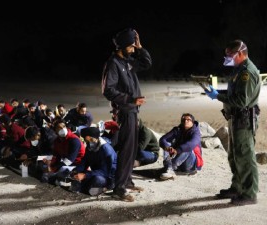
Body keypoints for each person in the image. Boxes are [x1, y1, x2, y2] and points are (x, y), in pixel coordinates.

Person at [205, 40, 260, 205]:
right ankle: (237, 187)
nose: (227, 58)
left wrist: (218, 97)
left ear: (241, 53)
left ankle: (249, 193)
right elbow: (234, 92)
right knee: (234, 155)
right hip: (235, 118)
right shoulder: (238, 70)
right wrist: (218, 92)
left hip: (244, 120)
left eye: (230, 55)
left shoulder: (247, 73)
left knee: (245, 156)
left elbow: (242, 100)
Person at [101, 27, 152, 201]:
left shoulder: (127, 62)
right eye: (130, 46)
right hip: (124, 112)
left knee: (131, 149)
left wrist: (140, 47)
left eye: (133, 46)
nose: (132, 49)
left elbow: (146, 63)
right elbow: (108, 90)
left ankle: (127, 181)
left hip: (132, 111)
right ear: (121, 46)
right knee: (126, 149)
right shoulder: (113, 63)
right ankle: (119, 188)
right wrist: (131, 99)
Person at [71, 127, 117, 196]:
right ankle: (86, 187)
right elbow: (85, 161)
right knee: (77, 175)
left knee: (96, 179)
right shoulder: (90, 147)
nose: (89, 142)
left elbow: (105, 171)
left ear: (96, 138)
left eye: (91, 139)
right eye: (87, 141)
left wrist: (85, 175)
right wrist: (77, 171)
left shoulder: (106, 150)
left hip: (107, 176)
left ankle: (104, 188)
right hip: (96, 172)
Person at [159, 113, 203, 180]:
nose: (185, 121)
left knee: (188, 148)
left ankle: (170, 168)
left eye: (188, 120)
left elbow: (191, 144)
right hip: (179, 163)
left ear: (192, 122)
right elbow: (163, 139)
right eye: (183, 120)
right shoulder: (177, 130)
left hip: (191, 166)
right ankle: (169, 167)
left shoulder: (196, 132)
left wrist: (177, 150)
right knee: (167, 144)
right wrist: (167, 147)